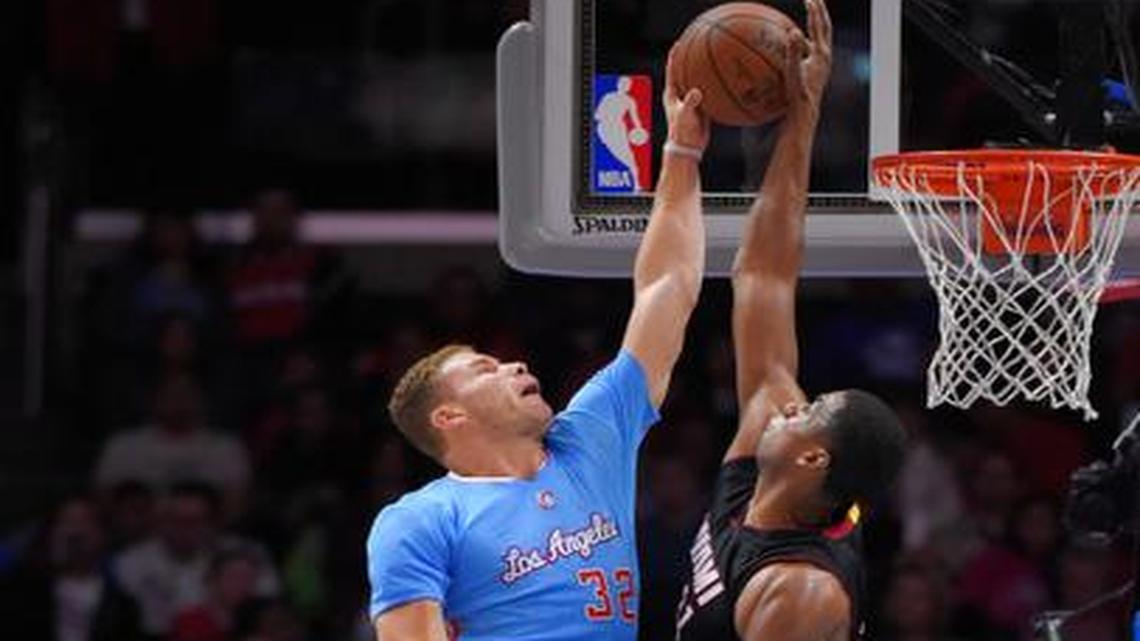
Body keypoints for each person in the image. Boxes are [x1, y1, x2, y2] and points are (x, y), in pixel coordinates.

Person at [366, 47, 711, 640]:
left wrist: (681, 154)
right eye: (484, 369)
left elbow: (669, 290)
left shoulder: (588, 441)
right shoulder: (421, 519)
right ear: (449, 416)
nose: (513, 365)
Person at [674, 2, 907, 640]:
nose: (788, 405)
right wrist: (803, 109)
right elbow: (765, 275)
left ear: (810, 461)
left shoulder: (800, 591)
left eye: (805, 413)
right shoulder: (763, 453)